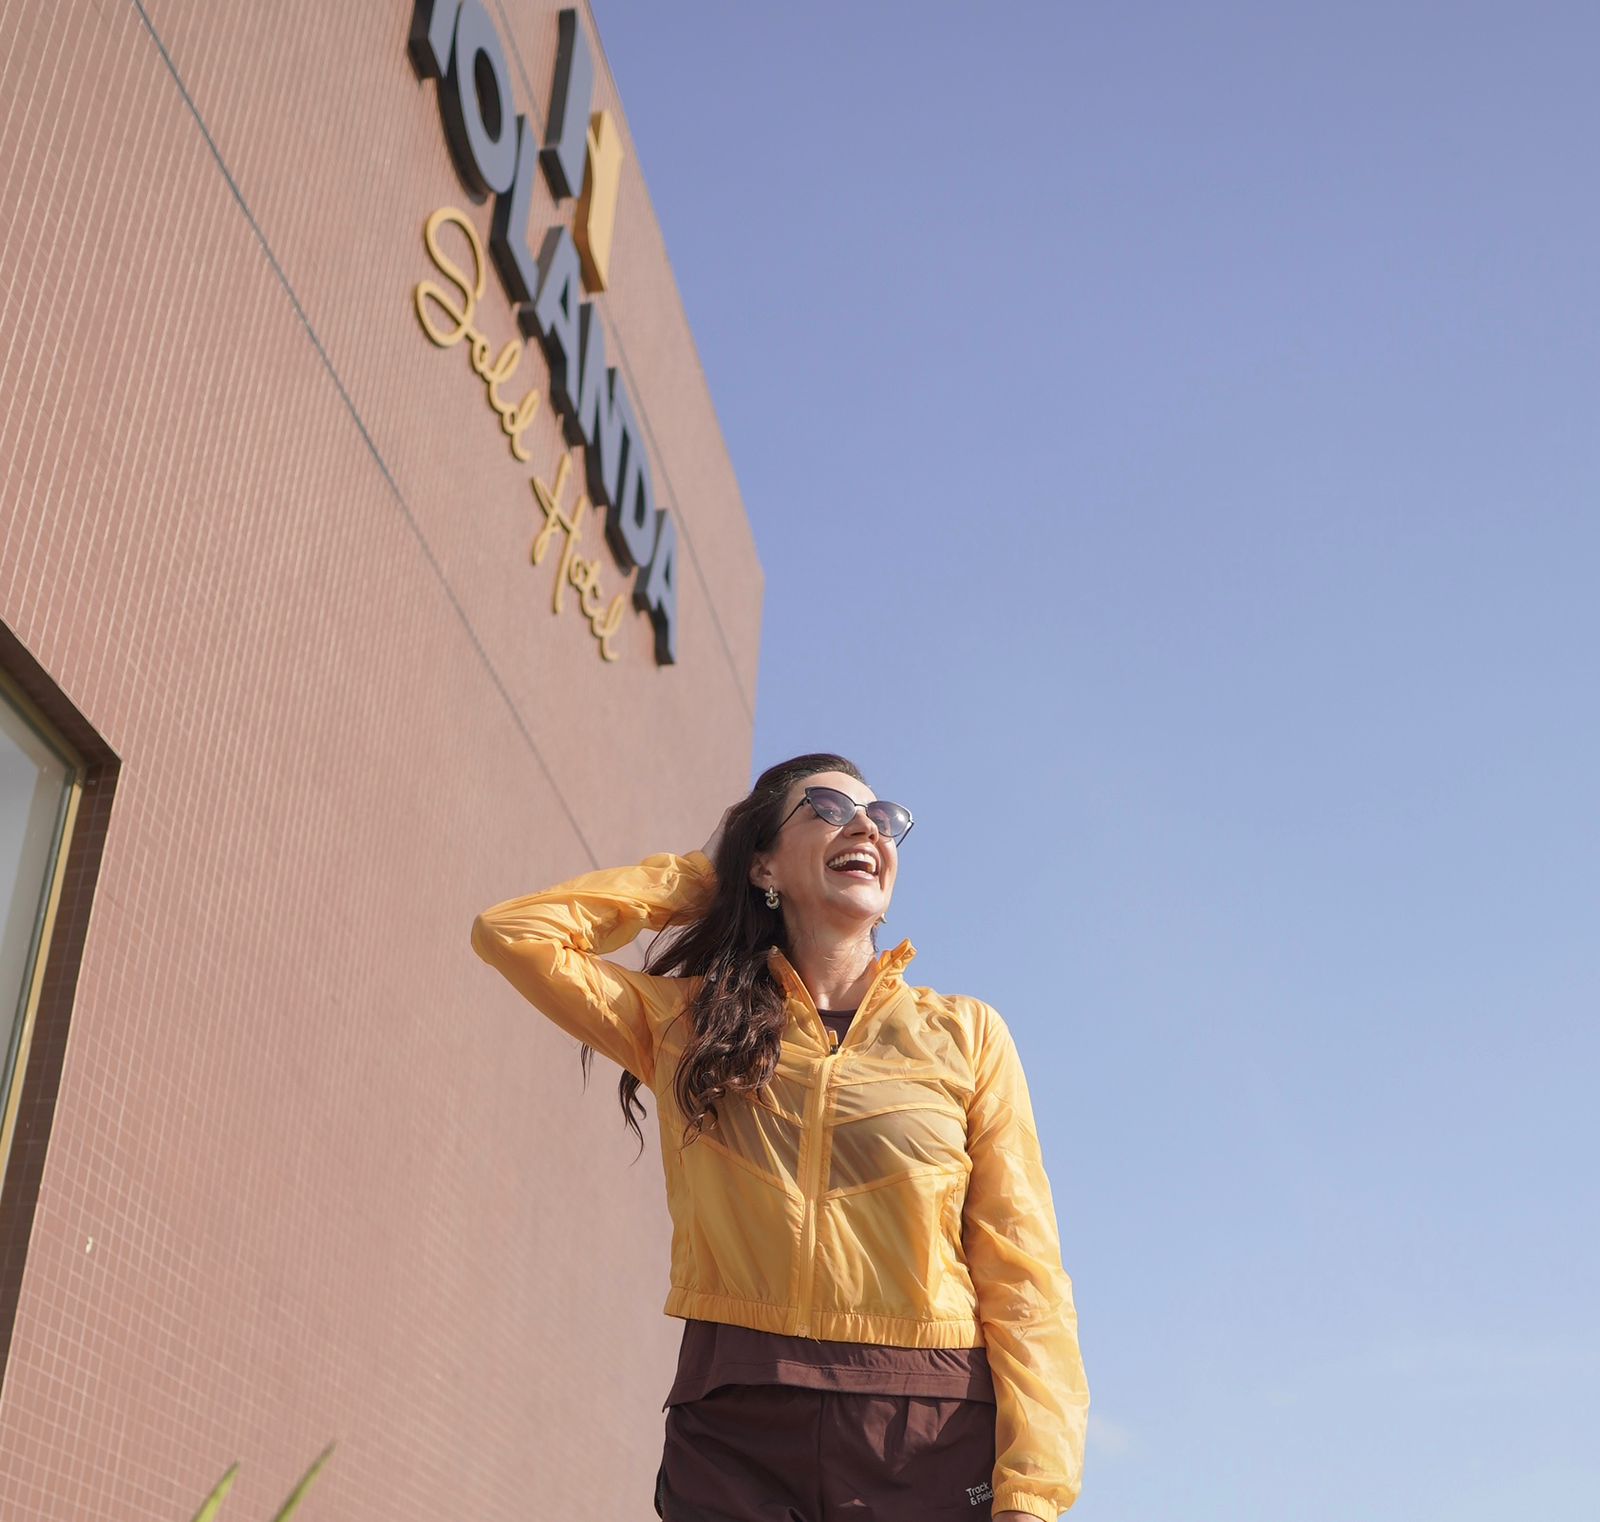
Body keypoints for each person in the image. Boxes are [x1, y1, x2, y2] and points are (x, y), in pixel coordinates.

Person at [471, 752, 1089, 1520]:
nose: (866, 827)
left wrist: (1032, 1489)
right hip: (735, 1418)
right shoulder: (686, 1024)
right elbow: (514, 934)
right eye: (828, 808)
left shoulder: (967, 1035)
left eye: (883, 819)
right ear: (765, 863)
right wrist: (704, 878)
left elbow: (1024, 1269)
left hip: (925, 1423)